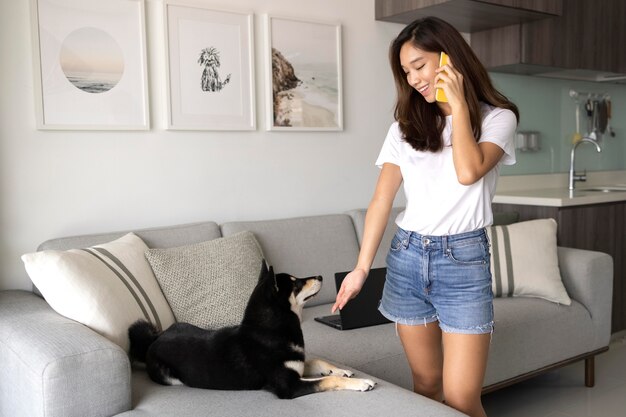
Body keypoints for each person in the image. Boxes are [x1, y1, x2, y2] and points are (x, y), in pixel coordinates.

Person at [332, 16, 519, 417]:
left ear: (450, 57)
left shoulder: (498, 118)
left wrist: (457, 107)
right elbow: (381, 201)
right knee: (427, 387)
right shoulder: (405, 126)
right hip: (408, 257)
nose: (413, 78)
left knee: (463, 399)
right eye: (406, 71)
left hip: (464, 262)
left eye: (419, 65)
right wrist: (361, 269)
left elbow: (468, 172)